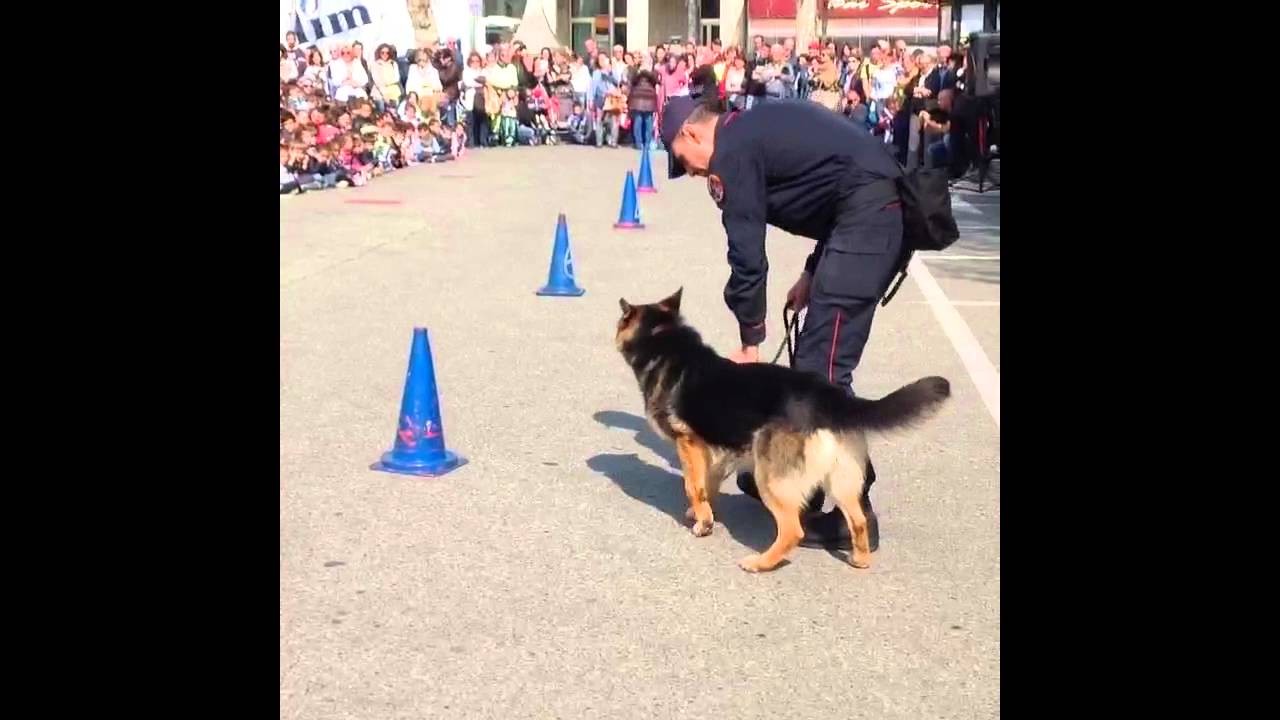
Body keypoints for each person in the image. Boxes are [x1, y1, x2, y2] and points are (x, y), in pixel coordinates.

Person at [659, 95, 910, 550]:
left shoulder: (731, 152)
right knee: (812, 369)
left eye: (685, 162)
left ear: (692, 133)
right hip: (861, 217)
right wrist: (814, 271)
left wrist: (750, 339)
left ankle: (854, 512)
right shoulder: (751, 128)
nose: (693, 173)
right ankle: (803, 481)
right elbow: (835, 181)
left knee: (821, 373)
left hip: (868, 221)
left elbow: (747, 254)